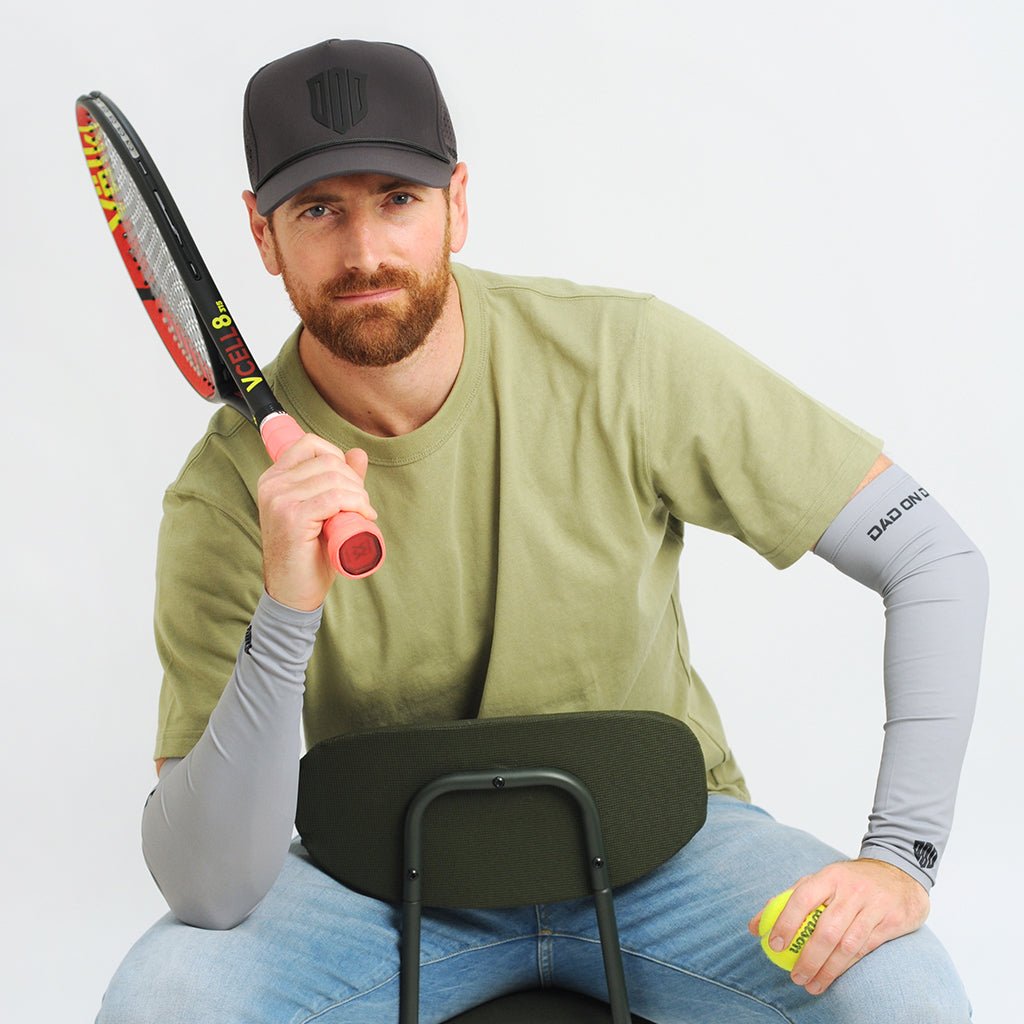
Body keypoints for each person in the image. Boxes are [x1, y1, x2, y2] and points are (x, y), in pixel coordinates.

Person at [96, 38, 987, 1023]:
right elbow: (210, 890)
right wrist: (287, 604)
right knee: (163, 1000)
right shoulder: (227, 493)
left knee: (901, 993)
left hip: (668, 860)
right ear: (262, 237)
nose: (365, 252)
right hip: (378, 890)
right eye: (318, 210)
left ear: (457, 203)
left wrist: (899, 857)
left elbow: (931, 556)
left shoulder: (622, 358)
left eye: (398, 199)